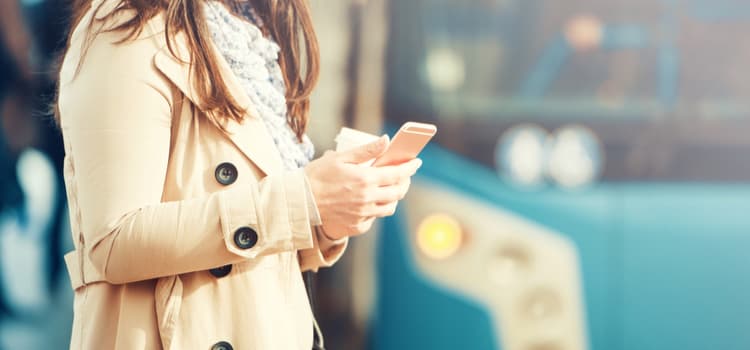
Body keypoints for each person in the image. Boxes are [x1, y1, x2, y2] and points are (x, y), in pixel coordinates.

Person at [55, 0, 421, 349]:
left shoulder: (252, 35)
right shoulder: (127, 29)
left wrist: (326, 217)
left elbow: (259, 228)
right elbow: (113, 241)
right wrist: (300, 199)